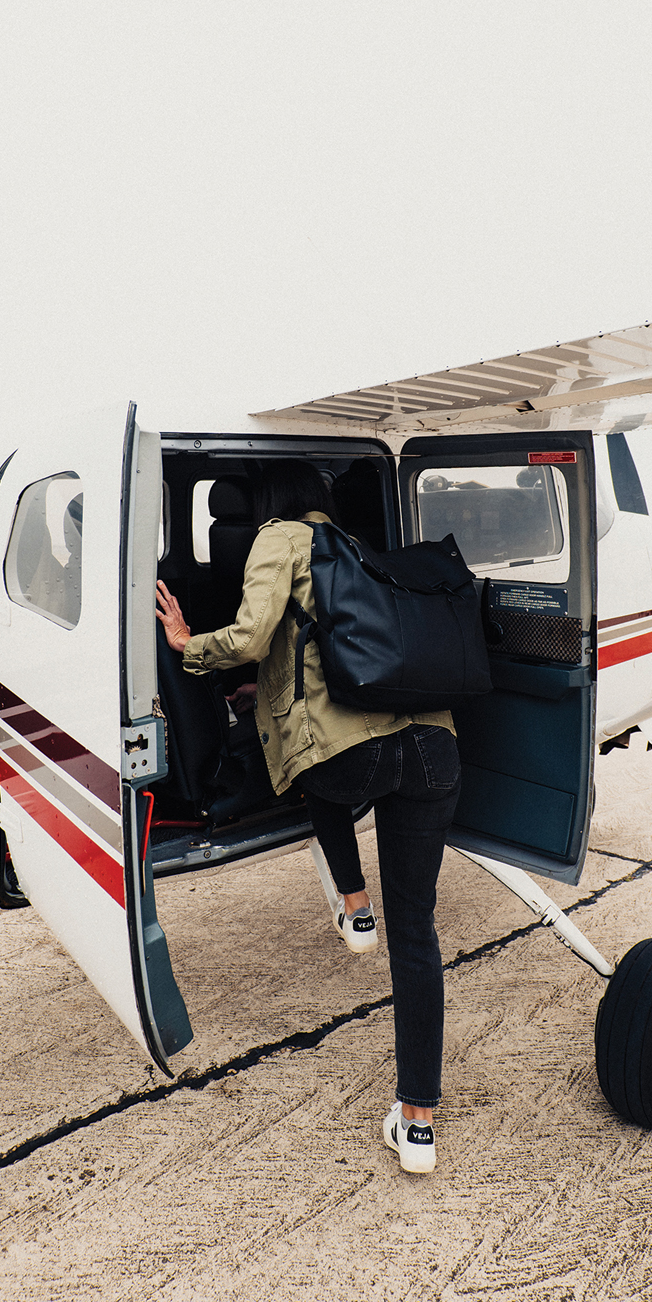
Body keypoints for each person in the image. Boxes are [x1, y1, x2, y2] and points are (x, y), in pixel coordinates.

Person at [155, 460, 461, 1173]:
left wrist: (186, 646)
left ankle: (354, 905)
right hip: (438, 747)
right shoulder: (355, 543)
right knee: (416, 931)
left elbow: (254, 638)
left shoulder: (277, 538)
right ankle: (418, 1122)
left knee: (310, 768)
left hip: (356, 755)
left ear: (264, 499)